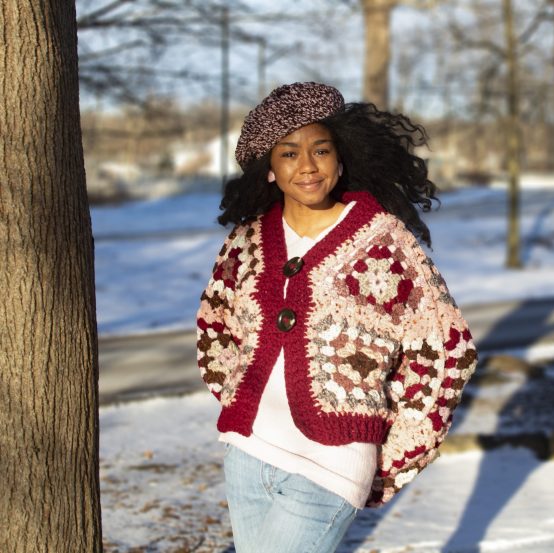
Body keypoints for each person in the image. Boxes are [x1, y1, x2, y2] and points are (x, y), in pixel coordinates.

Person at [196, 82, 477, 553]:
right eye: (288, 154)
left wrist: (395, 449)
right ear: (269, 170)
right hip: (248, 452)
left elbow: (447, 349)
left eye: (320, 150)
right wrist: (240, 394)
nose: (307, 165)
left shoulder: (384, 243)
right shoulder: (247, 242)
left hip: (333, 462)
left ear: (340, 159)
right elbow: (216, 326)